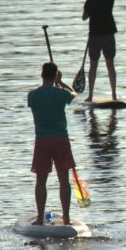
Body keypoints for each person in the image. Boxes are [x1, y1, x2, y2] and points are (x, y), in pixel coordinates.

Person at [28, 62, 77, 225]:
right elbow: (74, 94)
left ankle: (40, 217)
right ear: (55, 75)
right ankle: (67, 218)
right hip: (61, 139)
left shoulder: (32, 95)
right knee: (64, 180)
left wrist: (55, 84)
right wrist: (61, 83)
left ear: (42, 75)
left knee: (41, 181)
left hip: (42, 140)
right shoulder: (61, 93)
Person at [82, 0, 119, 102]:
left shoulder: (89, 2)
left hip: (94, 38)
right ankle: (114, 94)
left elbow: (84, 18)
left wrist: (91, 11)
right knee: (110, 65)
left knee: (93, 67)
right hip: (108, 36)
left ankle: (90, 95)